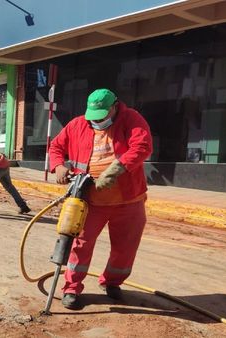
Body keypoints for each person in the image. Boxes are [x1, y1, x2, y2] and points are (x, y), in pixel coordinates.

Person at [49, 88, 152, 309]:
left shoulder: (131, 119)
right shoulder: (77, 125)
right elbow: (56, 146)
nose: (97, 121)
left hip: (129, 201)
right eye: (93, 117)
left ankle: (112, 282)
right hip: (89, 200)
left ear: (114, 107)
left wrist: (116, 170)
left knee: (125, 248)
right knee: (80, 244)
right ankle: (71, 288)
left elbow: (142, 146)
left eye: (103, 116)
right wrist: (57, 165)